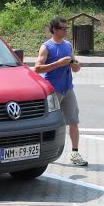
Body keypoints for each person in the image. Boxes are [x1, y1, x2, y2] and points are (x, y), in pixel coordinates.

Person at [34, 17, 88, 166]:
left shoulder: (68, 45)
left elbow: (74, 66)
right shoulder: (46, 46)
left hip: (68, 89)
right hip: (53, 90)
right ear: (55, 30)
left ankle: (75, 154)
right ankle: (41, 154)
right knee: (49, 123)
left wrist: (76, 66)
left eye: (66, 28)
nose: (66, 31)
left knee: (74, 122)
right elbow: (37, 68)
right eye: (63, 28)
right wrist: (58, 63)